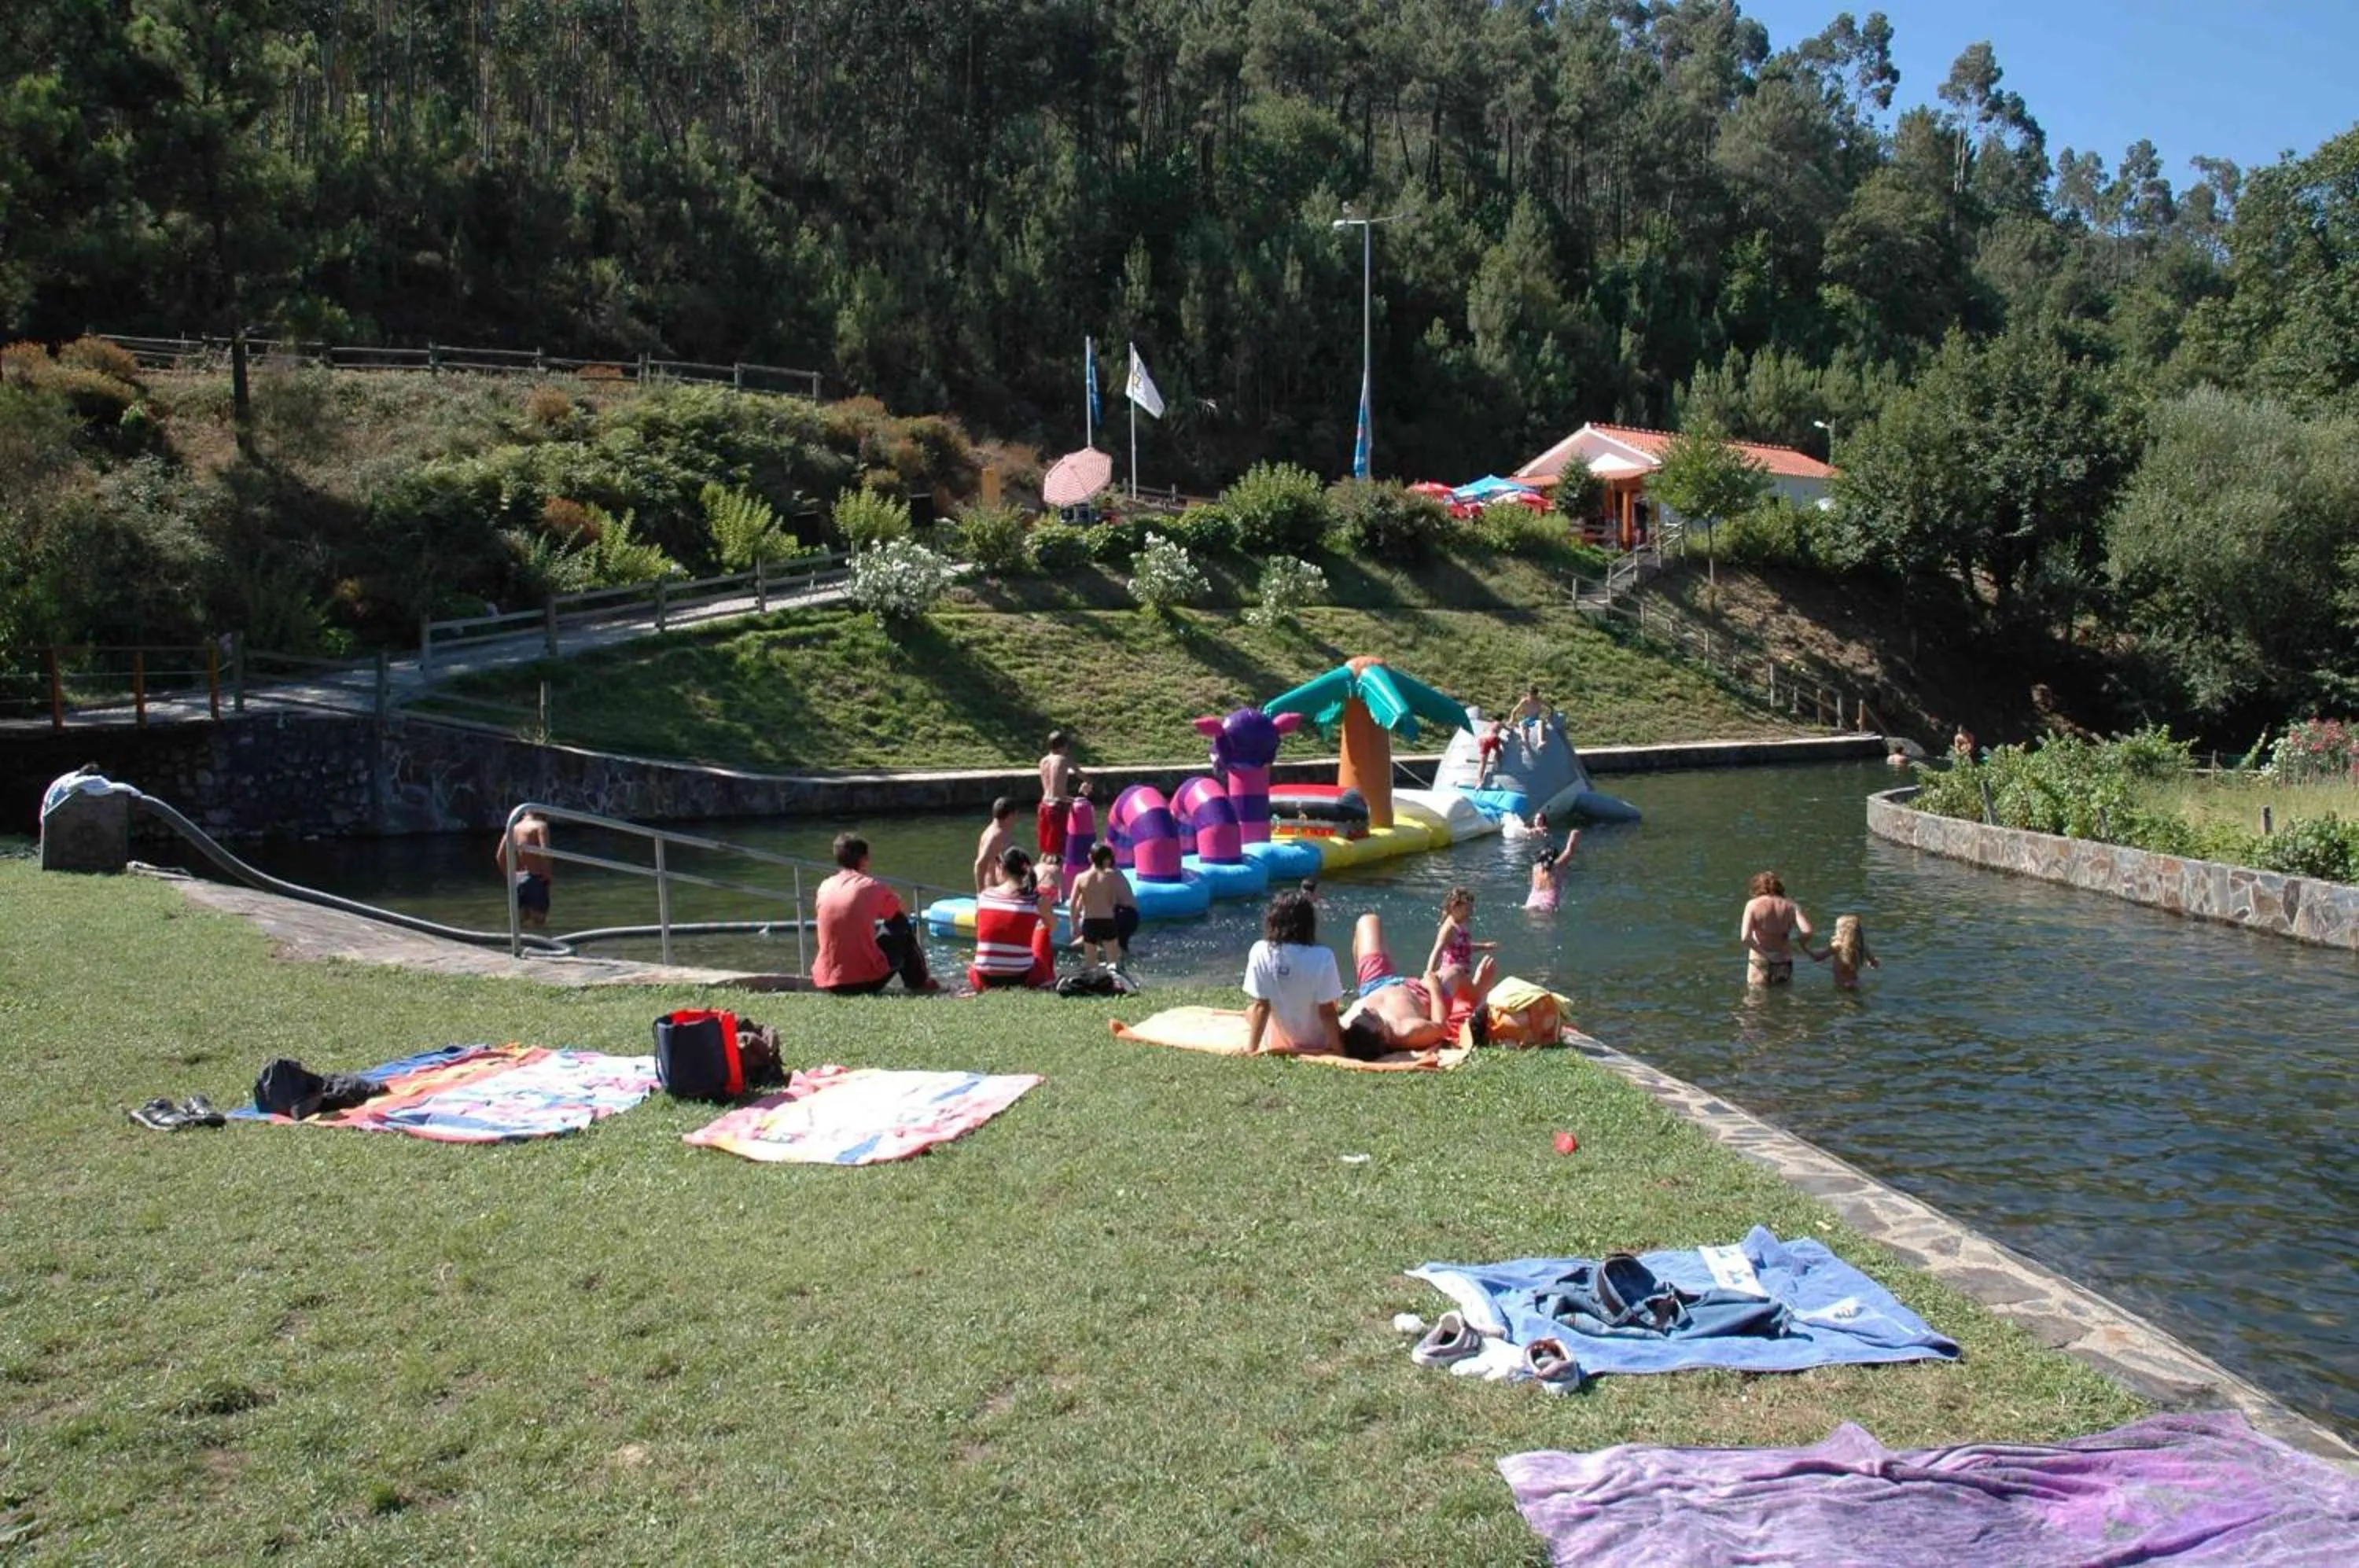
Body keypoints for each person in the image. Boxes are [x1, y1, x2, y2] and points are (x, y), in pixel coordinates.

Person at [1338, 911, 1498, 1058]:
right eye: (1370, 1018)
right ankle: (1475, 992)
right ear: (1383, 1037)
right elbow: (1441, 1027)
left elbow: (1328, 1020)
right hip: (1421, 992)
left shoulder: (1348, 1025)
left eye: (1362, 1016)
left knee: (1368, 921)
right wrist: (1434, 988)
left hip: (1375, 984)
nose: (1366, 1011)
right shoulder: (1409, 1030)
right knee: (1455, 970)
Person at [811, 832, 938, 995]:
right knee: (901, 926)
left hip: (828, 981)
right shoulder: (871, 886)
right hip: (863, 982)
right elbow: (900, 912)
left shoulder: (825, 886)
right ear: (864, 860)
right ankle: (921, 984)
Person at [1241, 890, 1345, 1055]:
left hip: (1278, 1040)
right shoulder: (1323, 956)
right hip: (1319, 1041)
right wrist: (1340, 1051)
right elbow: (1327, 1011)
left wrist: (1251, 1049)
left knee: (1251, 1010)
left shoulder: (1260, 951)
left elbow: (1262, 1007)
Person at [970, 847, 1057, 990]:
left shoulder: (984, 896)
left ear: (1002, 868)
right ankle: (1049, 980)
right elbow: (1052, 926)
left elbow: (979, 929)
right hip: (1021, 976)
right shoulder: (1036, 900)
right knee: (1042, 933)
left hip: (984, 976)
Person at [1067, 844, 1139, 969]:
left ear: (1090, 858)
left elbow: (1074, 903)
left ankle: (1092, 966)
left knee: (1090, 962)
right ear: (1107, 859)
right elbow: (1111, 900)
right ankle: (1122, 968)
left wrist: (1074, 924)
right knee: (1114, 960)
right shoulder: (1112, 875)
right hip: (1112, 919)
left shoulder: (1081, 877)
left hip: (1097, 920)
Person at [1739, 870, 1814, 988]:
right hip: (1783, 957)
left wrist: (1767, 955)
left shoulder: (1752, 905)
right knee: (1783, 993)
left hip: (1761, 958)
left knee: (1756, 995)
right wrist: (1801, 943)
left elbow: (1745, 938)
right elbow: (1808, 931)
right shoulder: (1791, 905)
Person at [1426, 887, 1493, 1005]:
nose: (1470, 913)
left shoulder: (1461, 923)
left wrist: (1484, 946)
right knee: (1473, 997)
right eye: (1467, 909)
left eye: (1471, 909)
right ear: (1454, 907)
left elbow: (1464, 947)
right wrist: (1429, 973)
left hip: (1463, 974)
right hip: (1452, 975)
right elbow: (1437, 950)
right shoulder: (1448, 928)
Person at [495, 812, 553, 929]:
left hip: (518, 880)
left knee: (520, 925)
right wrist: (547, 876)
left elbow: (500, 856)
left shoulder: (513, 827)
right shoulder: (541, 826)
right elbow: (545, 853)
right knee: (539, 923)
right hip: (536, 879)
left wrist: (511, 877)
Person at [1038, 730, 1078, 861]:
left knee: (1046, 850)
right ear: (1063, 746)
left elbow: (1050, 791)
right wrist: (1074, 801)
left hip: (1043, 806)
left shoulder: (1043, 761)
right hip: (1056, 809)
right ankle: (1057, 872)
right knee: (1057, 852)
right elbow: (1059, 795)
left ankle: (1039, 871)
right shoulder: (1061, 760)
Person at [1813, 913, 1880, 990]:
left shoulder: (1837, 945)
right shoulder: (1862, 946)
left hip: (1842, 984)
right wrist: (1872, 963)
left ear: (1841, 931)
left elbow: (1818, 958)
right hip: (1856, 983)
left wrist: (1805, 948)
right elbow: (1875, 963)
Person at [1525, 827, 1581, 911]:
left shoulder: (1535, 868)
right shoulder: (1557, 867)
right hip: (1548, 906)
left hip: (1531, 904)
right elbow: (1569, 851)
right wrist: (1574, 834)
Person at [975, 797, 1018, 893]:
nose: (1016, 819)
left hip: (999, 888)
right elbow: (979, 864)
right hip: (996, 889)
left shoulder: (995, 830)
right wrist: (980, 894)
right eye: (1015, 815)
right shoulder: (996, 836)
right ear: (1010, 816)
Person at [1508, 685, 1552, 753]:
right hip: (1527, 720)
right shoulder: (1524, 701)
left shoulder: (1539, 701)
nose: (1531, 696)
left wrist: (1550, 716)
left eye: (1533, 695)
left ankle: (1540, 741)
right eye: (1530, 694)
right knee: (1521, 723)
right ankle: (1523, 740)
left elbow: (1550, 707)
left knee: (1540, 722)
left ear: (1536, 694)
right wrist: (1511, 719)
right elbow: (1514, 711)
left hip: (1535, 720)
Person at [1476, 719, 1507, 786]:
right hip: (1493, 738)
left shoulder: (1489, 724)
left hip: (1482, 739)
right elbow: (1510, 729)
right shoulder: (1501, 723)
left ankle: (1479, 781)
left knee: (1482, 762)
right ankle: (1497, 764)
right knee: (1499, 752)